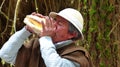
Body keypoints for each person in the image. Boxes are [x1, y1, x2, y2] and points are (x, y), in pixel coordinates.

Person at [0, 8, 92, 67]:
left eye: (59, 23)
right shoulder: (36, 45)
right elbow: (5, 54)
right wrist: (27, 30)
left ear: (72, 34)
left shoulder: (78, 55)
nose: (53, 24)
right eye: (55, 20)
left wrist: (46, 37)